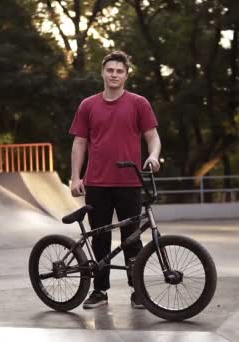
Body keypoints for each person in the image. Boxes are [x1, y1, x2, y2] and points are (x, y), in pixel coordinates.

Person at [69, 51, 161, 309]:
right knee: (100, 238)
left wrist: (154, 156)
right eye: (110, 70)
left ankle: (137, 291)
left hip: (129, 182)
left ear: (126, 75)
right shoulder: (88, 105)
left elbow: (152, 136)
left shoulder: (139, 103)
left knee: (132, 238)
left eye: (119, 71)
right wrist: (76, 177)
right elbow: (79, 142)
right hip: (96, 183)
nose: (114, 75)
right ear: (102, 73)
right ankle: (99, 291)